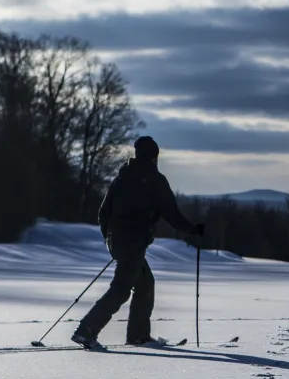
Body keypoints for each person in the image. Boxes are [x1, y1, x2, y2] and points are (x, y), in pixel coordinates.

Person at [71, 135, 204, 350]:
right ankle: (86, 330)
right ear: (154, 157)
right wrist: (193, 230)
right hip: (133, 244)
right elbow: (171, 215)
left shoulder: (122, 177)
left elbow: (103, 212)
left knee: (145, 284)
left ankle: (138, 335)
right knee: (121, 289)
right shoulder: (155, 179)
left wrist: (111, 239)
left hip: (119, 241)